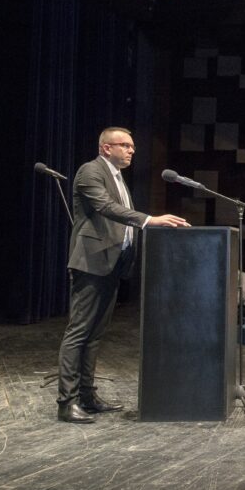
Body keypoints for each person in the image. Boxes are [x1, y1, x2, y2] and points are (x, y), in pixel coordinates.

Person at [57, 127, 190, 424]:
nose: (131, 151)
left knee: (95, 334)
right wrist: (149, 220)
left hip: (112, 263)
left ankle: (87, 396)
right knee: (79, 332)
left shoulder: (117, 177)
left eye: (132, 146)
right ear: (106, 148)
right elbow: (105, 208)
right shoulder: (90, 171)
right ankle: (66, 402)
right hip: (91, 262)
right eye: (125, 145)